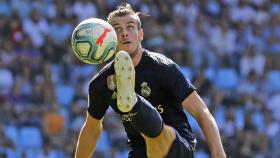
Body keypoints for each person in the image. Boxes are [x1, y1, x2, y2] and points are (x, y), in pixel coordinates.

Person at [75, 3, 226, 158]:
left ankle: (133, 102)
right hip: (140, 154)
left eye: (130, 27)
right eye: (117, 29)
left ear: (141, 34)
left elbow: (202, 112)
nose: (124, 33)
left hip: (177, 148)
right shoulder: (101, 83)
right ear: (110, 38)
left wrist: (219, 154)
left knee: (159, 134)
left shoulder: (163, 67)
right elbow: (91, 129)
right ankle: (133, 102)